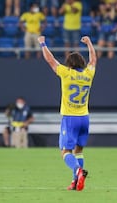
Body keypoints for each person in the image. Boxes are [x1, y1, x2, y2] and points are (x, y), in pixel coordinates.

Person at [38, 35, 97, 191]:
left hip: (70, 118)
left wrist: (43, 43)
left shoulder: (66, 73)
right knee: (79, 151)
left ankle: (78, 171)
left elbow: (50, 60)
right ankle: (75, 181)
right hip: (84, 117)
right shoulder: (88, 75)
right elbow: (93, 61)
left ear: (69, 64)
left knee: (65, 151)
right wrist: (89, 43)